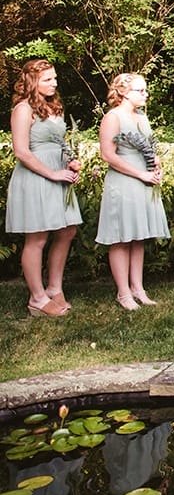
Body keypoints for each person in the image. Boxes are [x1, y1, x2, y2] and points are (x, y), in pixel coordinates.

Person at [6, 59, 82, 316]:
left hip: (59, 175)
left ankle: (54, 288)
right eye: (47, 79)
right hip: (36, 177)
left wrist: (70, 162)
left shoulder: (54, 108)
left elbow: (59, 143)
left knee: (67, 229)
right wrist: (52, 173)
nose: (54, 83)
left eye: (55, 78)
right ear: (31, 81)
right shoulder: (23, 110)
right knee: (37, 237)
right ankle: (37, 298)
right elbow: (22, 152)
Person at [96, 73, 169, 310]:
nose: (145, 94)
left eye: (145, 90)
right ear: (124, 92)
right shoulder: (113, 117)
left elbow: (147, 148)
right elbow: (108, 155)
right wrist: (140, 174)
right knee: (122, 237)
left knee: (139, 235)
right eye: (141, 90)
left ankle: (138, 288)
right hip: (124, 181)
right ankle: (123, 292)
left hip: (144, 178)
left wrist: (155, 164)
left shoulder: (141, 117)